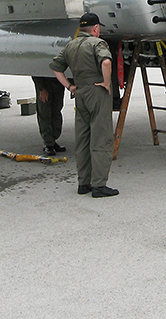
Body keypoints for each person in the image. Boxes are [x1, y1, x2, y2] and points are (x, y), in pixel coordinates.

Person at [50, 13, 118, 198]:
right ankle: (99, 185)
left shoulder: (70, 45)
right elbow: (105, 62)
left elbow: (56, 67)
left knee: (83, 138)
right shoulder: (97, 44)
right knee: (101, 137)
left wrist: (70, 86)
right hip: (97, 92)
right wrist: (105, 82)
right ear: (95, 28)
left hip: (79, 92)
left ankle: (83, 183)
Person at [32, 76, 66, 156]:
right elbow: (35, 71)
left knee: (56, 111)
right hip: (45, 83)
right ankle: (48, 143)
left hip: (58, 83)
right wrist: (41, 88)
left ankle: (53, 140)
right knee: (44, 113)